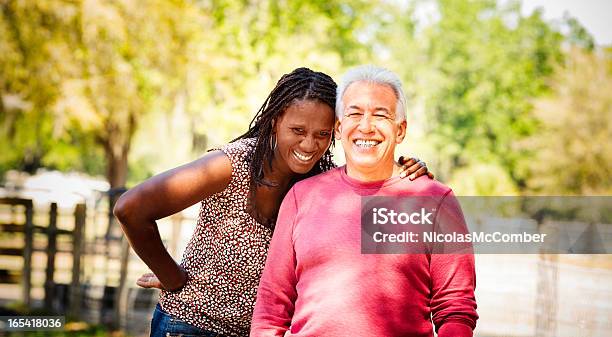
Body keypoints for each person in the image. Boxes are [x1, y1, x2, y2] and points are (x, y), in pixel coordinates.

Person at [113, 67, 431, 337]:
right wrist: (172, 276)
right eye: (298, 130)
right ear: (275, 120)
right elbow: (131, 209)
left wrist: (407, 167)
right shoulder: (230, 165)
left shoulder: (323, 185)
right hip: (190, 326)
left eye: (322, 134)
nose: (309, 144)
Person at [250, 65, 478, 337]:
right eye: (354, 114)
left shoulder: (436, 201)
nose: (366, 126)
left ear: (400, 130)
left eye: (380, 115)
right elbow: (272, 305)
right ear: (338, 127)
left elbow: (455, 309)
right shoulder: (302, 197)